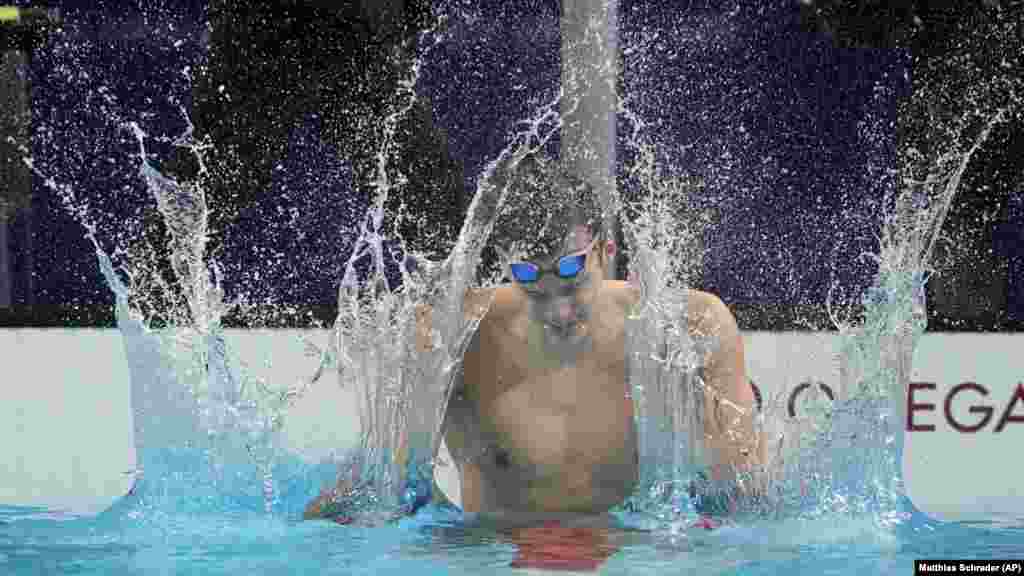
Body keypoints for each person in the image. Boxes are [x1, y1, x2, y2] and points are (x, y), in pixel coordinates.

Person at [304, 154, 764, 525]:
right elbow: (385, 493)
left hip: (633, 558)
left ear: (606, 249)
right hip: (496, 557)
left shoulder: (687, 327)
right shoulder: (451, 338)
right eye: (531, 282)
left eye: (572, 274)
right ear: (505, 265)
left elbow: (745, 498)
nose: (559, 311)